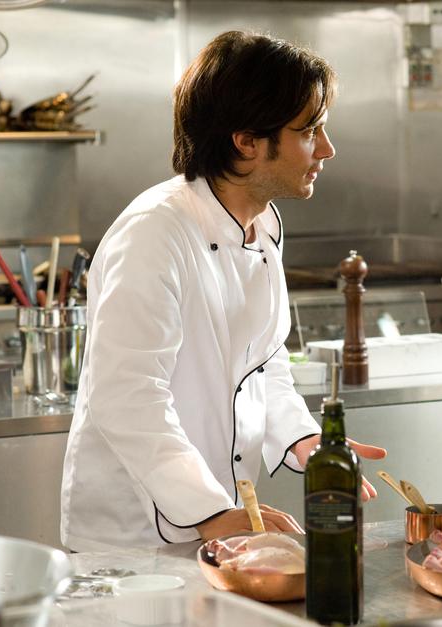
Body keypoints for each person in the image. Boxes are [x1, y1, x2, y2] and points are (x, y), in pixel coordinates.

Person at [60, 31, 385, 551]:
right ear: (247, 141)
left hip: (221, 514)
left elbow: (264, 361)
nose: (327, 149)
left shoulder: (264, 225)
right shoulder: (155, 232)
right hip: (135, 536)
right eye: (309, 130)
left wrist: (303, 438)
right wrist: (211, 512)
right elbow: (127, 395)